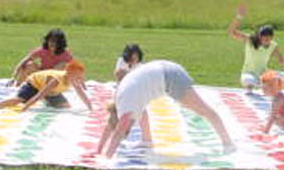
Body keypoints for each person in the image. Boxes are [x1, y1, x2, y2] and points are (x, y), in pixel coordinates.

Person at [98, 60, 235, 158]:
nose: (129, 125)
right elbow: (111, 124)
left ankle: (228, 143)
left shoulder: (127, 109)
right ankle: (147, 140)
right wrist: (98, 150)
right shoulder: (119, 100)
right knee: (143, 111)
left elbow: (118, 132)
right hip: (164, 69)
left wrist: (106, 157)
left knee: (204, 111)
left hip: (170, 77)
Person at [228, 4, 284, 94]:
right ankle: (251, 93)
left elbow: (282, 61)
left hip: (263, 75)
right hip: (248, 73)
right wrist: (238, 17)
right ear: (259, 37)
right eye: (264, 38)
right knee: (249, 81)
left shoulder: (273, 45)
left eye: (268, 39)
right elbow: (232, 32)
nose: (266, 41)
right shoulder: (250, 40)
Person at [0, 60, 91, 111]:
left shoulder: (73, 80)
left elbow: (82, 94)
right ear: (68, 73)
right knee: (19, 100)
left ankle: (47, 101)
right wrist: (25, 108)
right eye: (77, 76)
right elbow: (39, 95)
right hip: (34, 84)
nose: (79, 79)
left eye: (80, 76)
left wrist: (90, 107)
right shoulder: (56, 80)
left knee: (65, 106)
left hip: (52, 91)